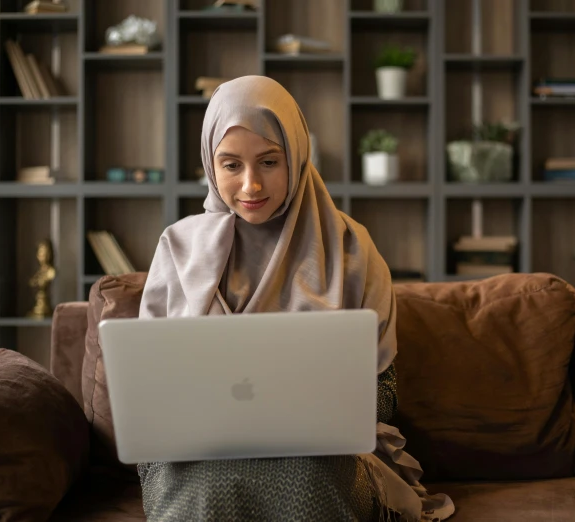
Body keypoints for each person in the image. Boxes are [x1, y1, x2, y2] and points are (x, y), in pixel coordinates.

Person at [137, 75, 454, 521]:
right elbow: (147, 384)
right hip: (199, 455)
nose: (250, 186)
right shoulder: (177, 247)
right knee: (202, 485)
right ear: (211, 165)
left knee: (306, 477)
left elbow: (384, 389)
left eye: (269, 162)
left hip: (321, 455)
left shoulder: (351, 247)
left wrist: (327, 412)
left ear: (299, 156)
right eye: (231, 166)